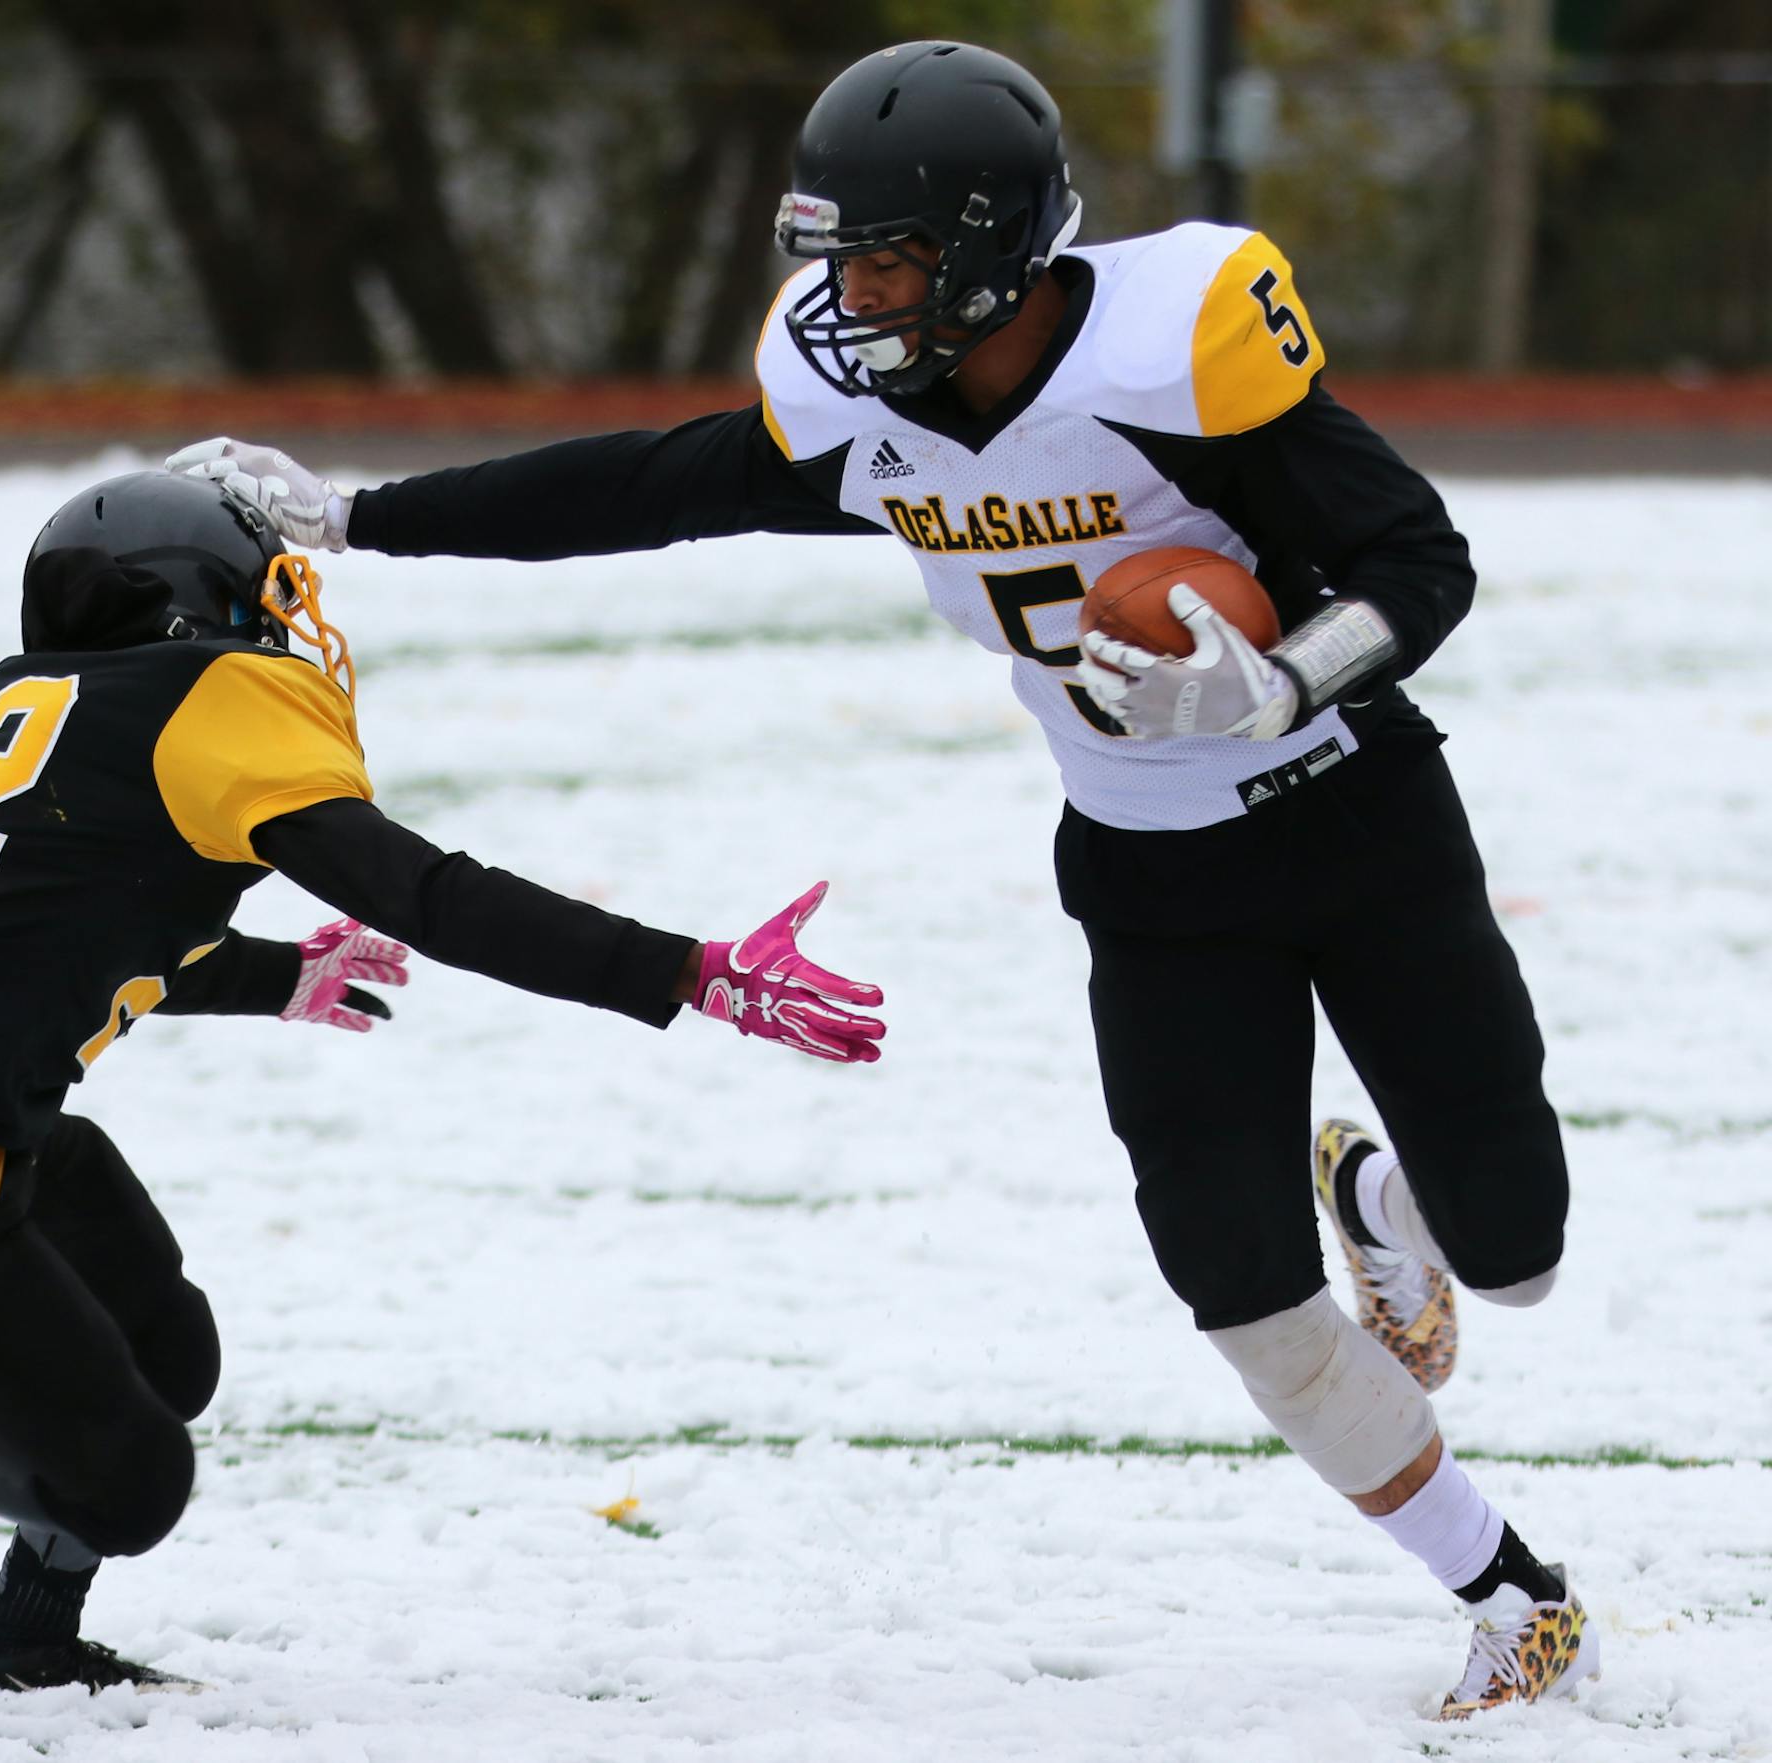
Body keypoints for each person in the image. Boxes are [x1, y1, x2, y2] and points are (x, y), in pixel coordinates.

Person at [167, 40, 1595, 1718]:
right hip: (1144, 868)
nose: (851, 293)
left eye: (889, 258)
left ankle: (1390, 1206)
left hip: (1358, 825)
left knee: (1521, 1255)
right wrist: (358, 517)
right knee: (1238, 1291)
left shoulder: (1175, 357)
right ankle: (1511, 1590)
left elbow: (1421, 556)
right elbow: (649, 484)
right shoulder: (876, 412)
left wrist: (1282, 679)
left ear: (994, 249)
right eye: (839, 255)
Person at [0, 469, 883, 1693]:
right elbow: (427, 892)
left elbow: (74, 929)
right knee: (129, 1482)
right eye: (266, 588)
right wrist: (683, 970)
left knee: (166, 1359)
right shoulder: (203, 700)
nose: (284, 616)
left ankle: (23, 1638)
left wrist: (276, 977)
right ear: (192, 601)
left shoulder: (57, 698)